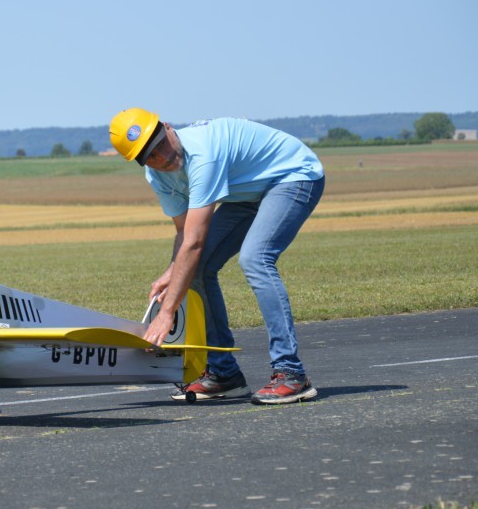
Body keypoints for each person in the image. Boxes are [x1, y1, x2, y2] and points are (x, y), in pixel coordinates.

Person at [109, 108, 325, 404]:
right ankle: (224, 374)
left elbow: (195, 243)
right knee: (195, 269)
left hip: (292, 175)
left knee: (255, 258)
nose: (163, 156)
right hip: (248, 193)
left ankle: (291, 373)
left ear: (168, 127)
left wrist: (167, 312)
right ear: (140, 162)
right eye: (150, 156)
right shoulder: (158, 176)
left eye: (160, 142)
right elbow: (184, 234)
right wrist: (172, 271)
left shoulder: (202, 155)